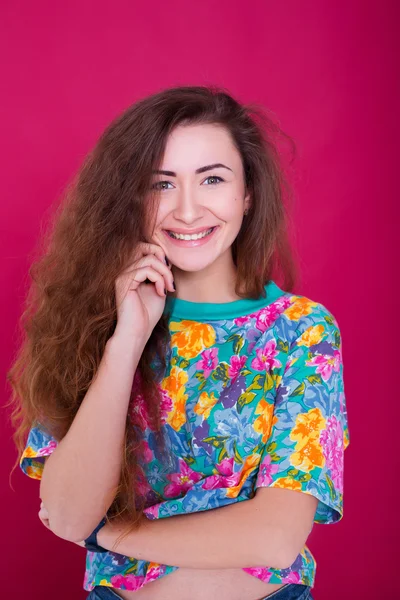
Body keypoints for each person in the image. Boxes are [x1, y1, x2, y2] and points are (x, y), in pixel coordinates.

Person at [7, 85, 350, 600]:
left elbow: (276, 538)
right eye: (161, 184)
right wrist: (125, 342)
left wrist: (110, 536)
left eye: (212, 179)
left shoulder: (302, 331)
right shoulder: (94, 325)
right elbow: (67, 512)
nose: (188, 210)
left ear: (247, 193)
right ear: (131, 199)